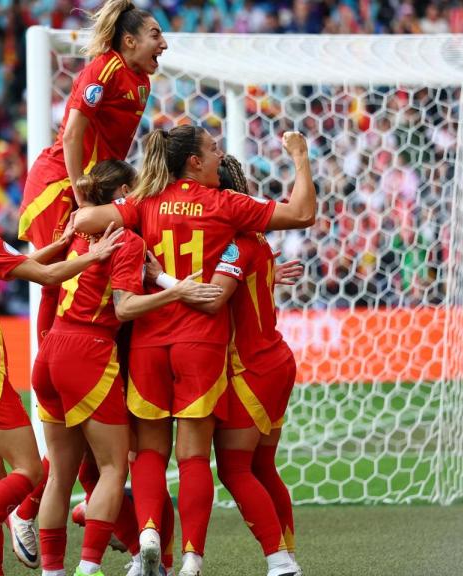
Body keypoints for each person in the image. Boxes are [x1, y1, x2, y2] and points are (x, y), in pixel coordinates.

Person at [74, 127, 316, 576]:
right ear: (194, 162)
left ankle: (146, 536)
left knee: (148, 454)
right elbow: (302, 213)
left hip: (149, 341)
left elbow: (84, 221)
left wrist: (128, 219)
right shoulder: (227, 208)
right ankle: (194, 560)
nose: (218, 151)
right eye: (212, 147)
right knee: (197, 458)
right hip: (202, 344)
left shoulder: (145, 203)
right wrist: (300, 155)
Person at [13, 0, 168, 562]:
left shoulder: (140, 83)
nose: (163, 45)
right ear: (127, 41)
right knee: (69, 276)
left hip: (91, 188)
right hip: (61, 185)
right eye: (155, 35)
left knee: (90, 277)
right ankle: (36, 509)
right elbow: (75, 128)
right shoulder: (104, 69)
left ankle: (41, 509)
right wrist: (82, 195)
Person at [0, 170, 124, 576]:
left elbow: (21, 263)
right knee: (29, 470)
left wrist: (64, 244)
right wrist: (93, 256)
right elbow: (46, 276)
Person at [33, 160, 221, 576]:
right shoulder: (128, 240)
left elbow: (43, 277)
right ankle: (89, 566)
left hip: (49, 351)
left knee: (59, 475)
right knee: (116, 468)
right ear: (120, 195)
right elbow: (125, 306)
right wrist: (177, 291)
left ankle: (52, 570)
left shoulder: (74, 230)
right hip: (88, 351)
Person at [147, 155, 305, 576]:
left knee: (234, 469)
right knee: (261, 467)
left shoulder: (234, 245)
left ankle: (280, 560)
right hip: (274, 361)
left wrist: (161, 279)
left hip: (250, 367)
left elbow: (215, 297)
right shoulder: (253, 241)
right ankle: (287, 554)